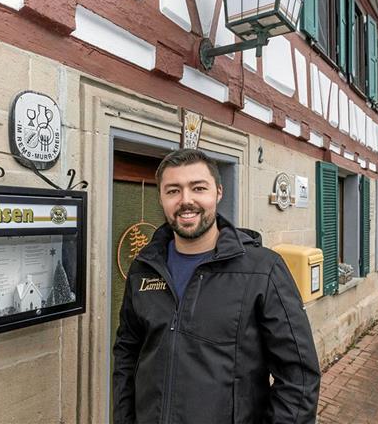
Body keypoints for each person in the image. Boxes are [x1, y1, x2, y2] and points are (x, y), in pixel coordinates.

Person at [113, 149, 320, 424]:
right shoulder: (144, 267)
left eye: (198, 188)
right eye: (173, 190)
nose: (186, 200)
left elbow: (299, 377)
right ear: (161, 197)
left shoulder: (263, 270)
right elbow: (127, 353)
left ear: (218, 192)